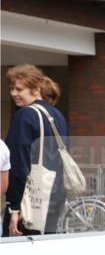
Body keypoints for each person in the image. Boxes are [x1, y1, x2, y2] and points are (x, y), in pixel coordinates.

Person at [4, 65, 69, 237]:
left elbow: (17, 165)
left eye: (19, 89)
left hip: (30, 202)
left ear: (36, 89)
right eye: (11, 88)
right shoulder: (57, 115)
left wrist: (14, 208)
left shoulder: (24, 115)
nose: (13, 93)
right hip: (54, 197)